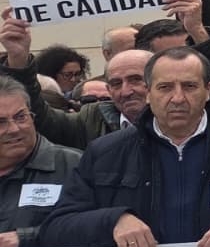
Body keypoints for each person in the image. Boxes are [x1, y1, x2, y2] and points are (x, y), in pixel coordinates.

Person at [40, 48, 210, 247]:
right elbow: (57, 228)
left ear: (208, 90)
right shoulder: (106, 152)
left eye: (189, 86)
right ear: (148, 92)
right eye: (165, 88)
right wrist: (114, 221)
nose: (178, 98)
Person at [1, 11, 153, 147]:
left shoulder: (168, 120)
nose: (126, 91)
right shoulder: (90, 121)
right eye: (116, 83)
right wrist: (18, 59)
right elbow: (40, 115)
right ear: (108, 89)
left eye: (135, 79)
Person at [0, 76, 82, 247]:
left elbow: (94, 228)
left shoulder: (74, 165)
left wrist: (26, 238)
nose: (14, 129)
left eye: (21, 117)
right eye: (0, 122)